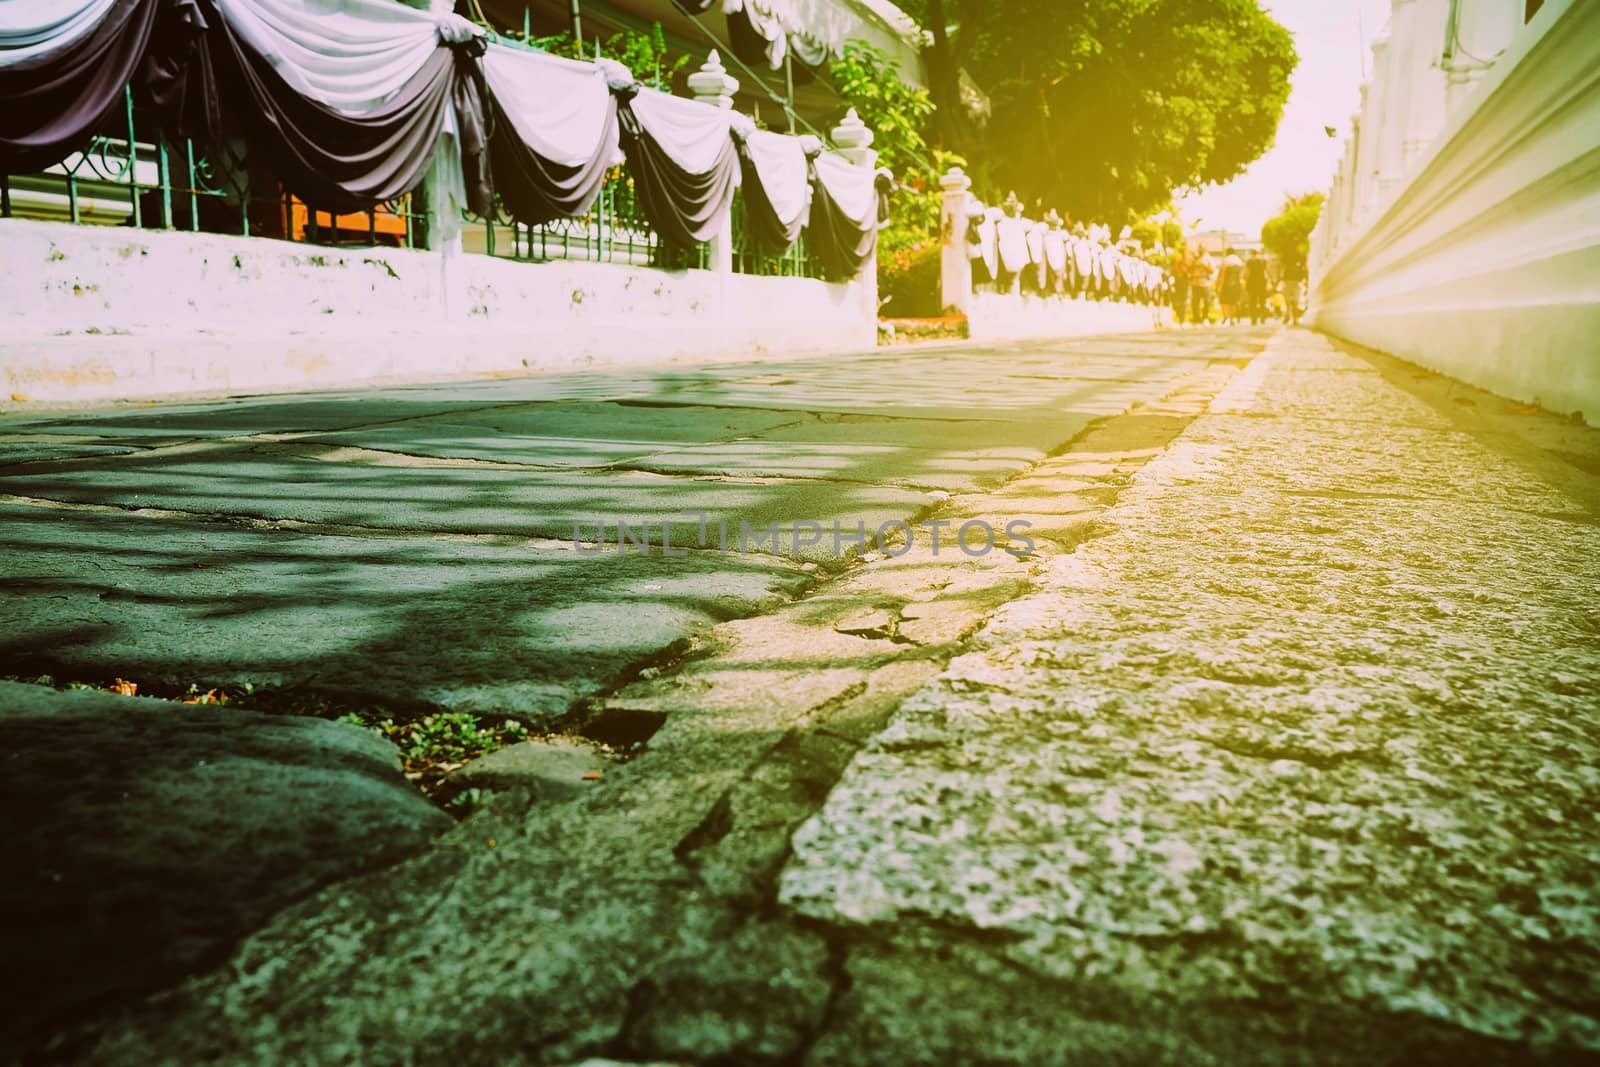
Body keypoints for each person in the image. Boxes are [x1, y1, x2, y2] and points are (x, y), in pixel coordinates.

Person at [1216, 247, 1245, 325]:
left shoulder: (1225, 260)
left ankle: (1226, 316)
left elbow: (1222, 274)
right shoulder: (1239, 261)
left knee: (1224, 301)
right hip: (1237, 284)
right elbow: (1242, 274)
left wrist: (1219, 285)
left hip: (1227, 284)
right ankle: (1233, 319)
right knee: (1234, 302)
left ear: (1227, 253)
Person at [1188, 252, 1215, 325]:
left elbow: (1212, 270)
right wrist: (1194, 263)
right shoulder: (1194, 259)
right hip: (1195, 282)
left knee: (1207, 301)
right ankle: (1196, 318)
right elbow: (1189, 269)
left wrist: (1204, 265)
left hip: (1205, 282)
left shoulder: (1208, 258)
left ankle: (1205, 317)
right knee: (1195, 302)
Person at [1245, 249, 1269, 325]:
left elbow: (1247, 272)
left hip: (1252, 283)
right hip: (1262, 283)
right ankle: (1263, 318)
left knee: (1252, 302)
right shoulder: (1264, 261)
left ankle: (1254, 319)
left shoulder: (1249, 261)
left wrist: (1245, 280)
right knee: (1262, 301)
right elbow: (1268, 271)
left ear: (1252, 253)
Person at [1169, 249, 1191, 326]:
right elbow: (1172, 273)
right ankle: (1181, 317)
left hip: (1184, 283)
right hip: (1178, 283)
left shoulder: (1188, 263)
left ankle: (1182, 319)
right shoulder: (1177, 263)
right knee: (1178, 302)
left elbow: (1189, 273)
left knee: (1184, 301)